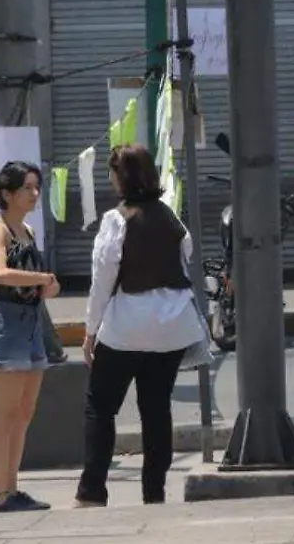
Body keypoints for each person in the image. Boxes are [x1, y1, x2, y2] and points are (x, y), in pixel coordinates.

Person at [76, 145, 207, 508]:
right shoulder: (171, 218)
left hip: (125, 328)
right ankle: (154, 493)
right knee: (156, 409)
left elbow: (102, 281)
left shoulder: (117, 220)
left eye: (112, 171)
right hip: (171, 329)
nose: (110, 178)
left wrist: (90, 331)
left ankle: (91, 491)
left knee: (100, 408)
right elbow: (185, 259)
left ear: (122, 176)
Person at [0, 161, 59, 514]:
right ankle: (1, 493)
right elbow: (0, 273)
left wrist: (47, 286)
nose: (34, 193)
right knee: (6, 413)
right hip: (6, 324)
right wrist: (42, 279)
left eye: (36, 186)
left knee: (25, 411)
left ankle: (12, 486)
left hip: (31, 323)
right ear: (7, 194)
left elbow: (34, 281)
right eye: (27, 187)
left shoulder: (27, 230)